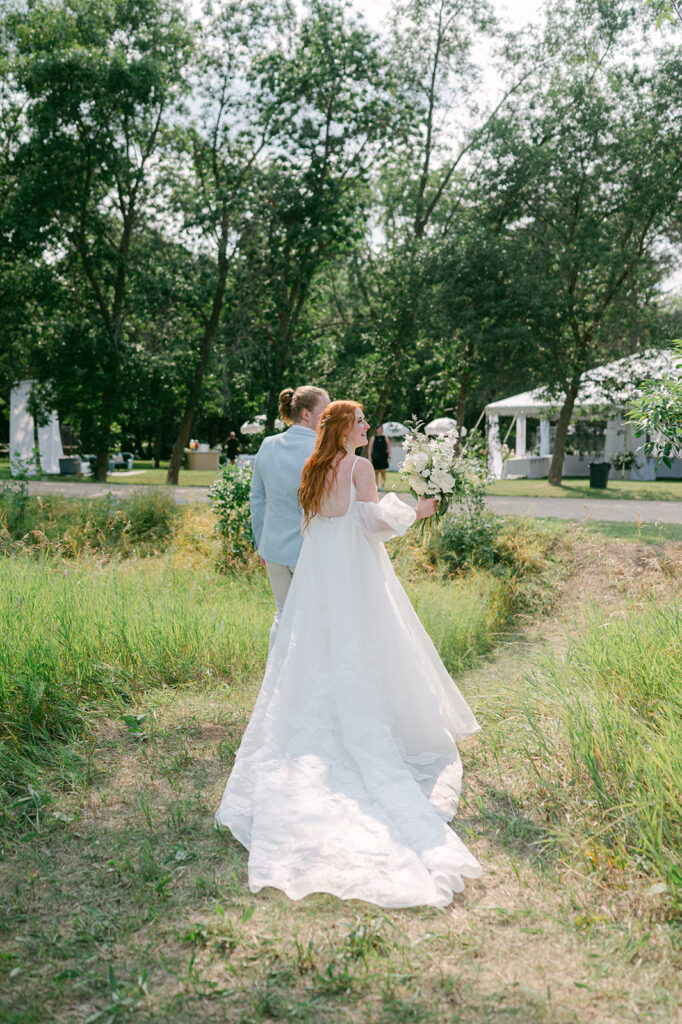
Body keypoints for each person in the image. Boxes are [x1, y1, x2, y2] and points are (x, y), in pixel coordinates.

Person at [216, 400, 481, 908]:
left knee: (319, 651)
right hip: (356, 574)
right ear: (343, 429)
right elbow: (372, 523)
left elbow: (324, 522)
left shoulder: (315, 469)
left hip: (322, 576)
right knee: (372, 643)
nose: (367, 428)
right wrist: (420, 509)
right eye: (361, 422)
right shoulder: (359, 467)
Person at [250, 385, 329, 649]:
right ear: (307, 414)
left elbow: (258, 499)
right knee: (315, 620)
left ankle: (276, 679)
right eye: (325, 410)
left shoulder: (268, 445)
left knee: (282, 615)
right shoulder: (324, 449)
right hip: (312, 549)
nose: (329, 415)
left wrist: (261, 542)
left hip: (273, 548)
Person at [368, 423, 391, 491]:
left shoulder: (386, 438)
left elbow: (389, 448)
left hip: (384, 457)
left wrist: (389, 457)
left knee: (383, 473)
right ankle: (376, 487)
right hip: (375, 457)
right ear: (377, 430)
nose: (380, 430)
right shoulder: (373, 438)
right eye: (379, 429)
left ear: (383, 430)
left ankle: (383, 487)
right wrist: (369, 457)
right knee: (375, 473)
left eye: (381, 429)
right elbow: (370, 448)